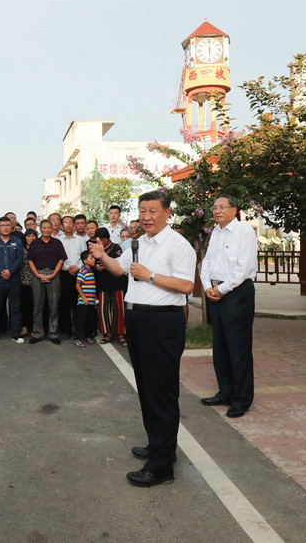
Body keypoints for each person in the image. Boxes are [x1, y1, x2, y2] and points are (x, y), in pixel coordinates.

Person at [89, 189, 197, 487]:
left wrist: (150, 275)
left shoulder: (179, 245)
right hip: (137, 319)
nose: (146, 217)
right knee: (147, 386)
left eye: (152, 211)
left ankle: (162, 466)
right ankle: (158, 445)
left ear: (167, 213)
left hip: (162, 320)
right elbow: (119, 268)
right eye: (142, 211)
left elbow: (187, 285)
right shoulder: (137, 242)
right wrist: (102, 257)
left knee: (162, 389)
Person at [199, 195, 258, 419]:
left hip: (237, 294)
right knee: (220, 347)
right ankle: (225, 391)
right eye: (214, 207)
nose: (217, 211)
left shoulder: (244, 232)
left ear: (234, 210)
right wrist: (207, 287)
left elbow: (243, 268)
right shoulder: (216, 233)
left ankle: (241, 399)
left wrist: (220, 290)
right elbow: (206, 264)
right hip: (215, 293)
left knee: (238, 347)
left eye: (222, 207)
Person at [0, 216, 26, 344]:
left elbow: (20, 259)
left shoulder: (17, 242)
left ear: (11, 227)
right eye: (3, 225)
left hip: (14, 280)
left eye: (8, 225)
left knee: (15, 308)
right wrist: (1, 271)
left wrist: (10, 271)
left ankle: (15, 333)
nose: (6, 228)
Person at [27, 219, 66, 344]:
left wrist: (53, 274)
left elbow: (61, 259)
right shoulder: (34, 244)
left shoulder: (57, 243)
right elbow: (30, 260)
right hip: (38, 274)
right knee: (37, 306)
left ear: (52, 228)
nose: (47, 230)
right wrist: (37, 274)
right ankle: (37, 334)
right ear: (40, 229)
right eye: (44, 227)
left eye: (49, 227)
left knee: (54, 306)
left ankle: (53, 333)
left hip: (53, 274)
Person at [94, 227, 127, 346]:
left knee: (119, 309)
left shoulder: (116, 248)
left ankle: (121, 334)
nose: (101, 242)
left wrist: (108, 265)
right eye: (99, 239)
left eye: (103, 239)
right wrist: (95, 267)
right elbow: (91, 262)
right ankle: (107, 334)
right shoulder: (95, 248)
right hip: (102, 282)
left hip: (117, 281)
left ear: (107, 238)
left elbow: (120, 262)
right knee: (104, 309)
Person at [57, 216, 86, 340]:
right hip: (64, 273)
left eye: (70, 222)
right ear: (61, 226)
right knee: (64, 303)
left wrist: (78, 268)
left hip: (79, 274)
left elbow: (84, 256)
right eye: (65, 223)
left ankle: (78, 330)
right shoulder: (58, 240)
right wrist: (68, 267)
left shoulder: (80, 240)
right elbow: (57, 257)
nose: (68, 225)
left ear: (73, 225)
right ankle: (66, 329)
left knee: (78, 303)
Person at [74, 250, 99, 347]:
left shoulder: (91, 271)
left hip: (91, 302)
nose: (94, 260)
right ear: (85, 261)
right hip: (83, 302)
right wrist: (83, 298)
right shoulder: (83, 271)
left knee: (90, 320)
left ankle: (88, 336)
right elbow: (77, 285)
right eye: (91, 258)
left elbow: (92, 287)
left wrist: (95, 298)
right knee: (81, 320)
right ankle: (78, 338)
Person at [20, 229, 38, 336]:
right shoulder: (21, 249)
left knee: (35, 306)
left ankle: (34, 328)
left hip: (37, 280)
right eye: (28, 236)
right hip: (24, 281)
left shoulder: (39, 249)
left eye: (33, 236)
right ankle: (24, 327)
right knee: (24, 306)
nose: (31, 238)